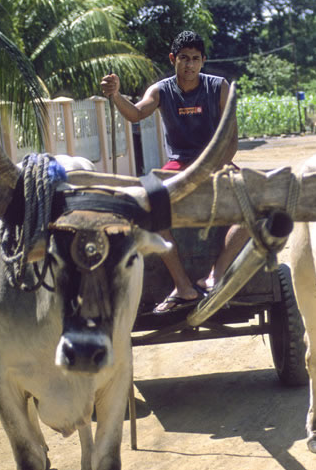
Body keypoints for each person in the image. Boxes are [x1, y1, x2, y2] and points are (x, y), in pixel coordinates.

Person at [101, 30, 248, 314]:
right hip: (177, 165)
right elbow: (136, 113)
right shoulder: (161, 90)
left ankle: (216, 275)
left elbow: (232, 139)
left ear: (203, 61)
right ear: (173, 59)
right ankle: (183, 286)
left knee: (252, 201)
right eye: (183, 58)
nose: (189, 65)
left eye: (195, 59)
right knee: (148, 202)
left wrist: (213, 168)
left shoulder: (219, 87)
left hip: (216, 162)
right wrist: (116, 95)